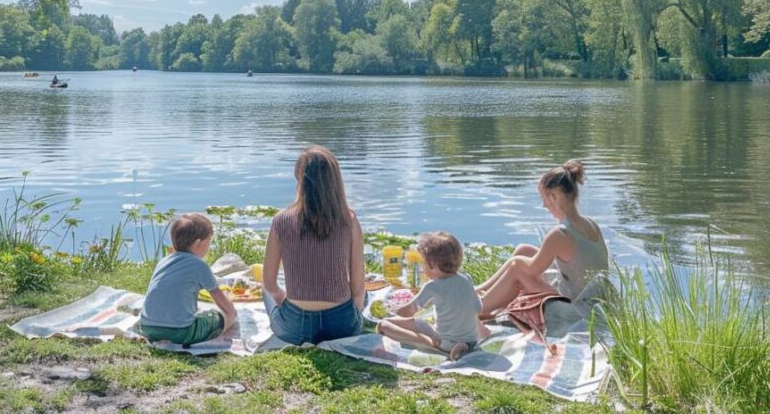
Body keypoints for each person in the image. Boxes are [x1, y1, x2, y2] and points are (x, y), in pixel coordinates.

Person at [476, 160, 609, 316]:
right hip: (591, 298)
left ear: (553, 197)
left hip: (577, 308)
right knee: (524, 250)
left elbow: (531, 270)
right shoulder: (590, 223)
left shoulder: (560, 234)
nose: (544, 206)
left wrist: (517, 263)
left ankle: (477, 309)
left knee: (518, 266)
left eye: (544, 198)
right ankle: (479, 292)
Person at [261, 146, 365, 345]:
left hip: (295, 327)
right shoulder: (349, 220)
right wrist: (354, 315)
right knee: (364, 297)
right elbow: (358, 290)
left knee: (264, 293)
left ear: (299, 179)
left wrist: (284, 300)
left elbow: (269, 284)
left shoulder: (281, 220)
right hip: (341, 327)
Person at [375, 231, 487, 360]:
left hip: (444, 342)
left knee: (384, 325)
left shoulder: (433, 286)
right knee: (424, 324)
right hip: (472, 341)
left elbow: (408, 312)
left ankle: (431, 343)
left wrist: (393, 309)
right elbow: (478, 308)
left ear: (432, 265)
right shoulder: (466, 279)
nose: (422, 268)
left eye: (424, 263)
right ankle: (462, 346)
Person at [137, 213, 236, 347]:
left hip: (148, 328)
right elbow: (219, 299)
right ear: (198, 243)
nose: (209, 246)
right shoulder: (199, 265)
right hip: (182, 332)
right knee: (223, 317)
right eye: (209, 242)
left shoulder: (163, 262)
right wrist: (232, 313)